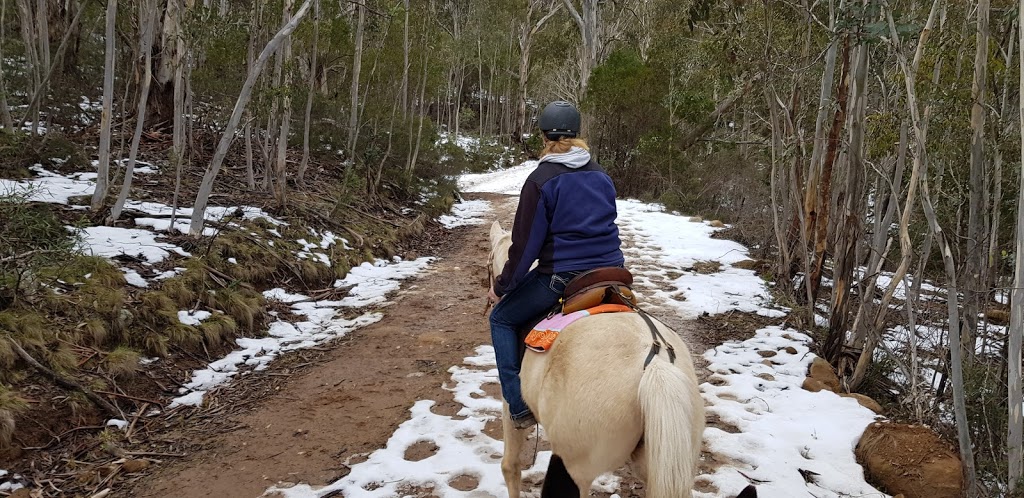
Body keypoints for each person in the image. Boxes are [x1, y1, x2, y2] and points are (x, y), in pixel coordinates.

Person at [487, 100, 625, 430]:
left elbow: (523, 249)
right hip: (613, 272)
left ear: (544, 136)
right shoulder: (600, 174)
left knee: (502, 319)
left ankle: (519, 406)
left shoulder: (541, 179)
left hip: (563, 276)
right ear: (577, 135)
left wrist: (501, 287)